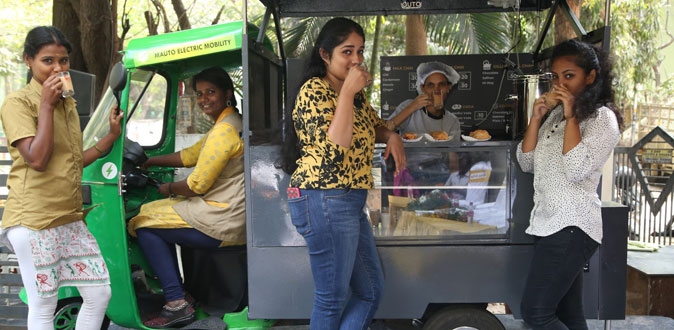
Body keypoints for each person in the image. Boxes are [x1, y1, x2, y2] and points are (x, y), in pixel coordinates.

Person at [280, 17, 406, 330]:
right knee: (331, 299)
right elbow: (335, 150)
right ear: (325, 55)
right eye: (347, 52)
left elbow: (375, 126)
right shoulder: (314, 91)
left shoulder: (357, 96)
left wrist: (390, 135)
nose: (356, 60)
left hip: (348, 200)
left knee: (371, 290)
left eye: (360, 51)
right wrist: (347, 93)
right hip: (323, 199)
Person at [0, 26, 122, 330]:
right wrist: (45, 104)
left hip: (69, 220)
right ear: (29, 60)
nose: (58, 68)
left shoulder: (68, 103)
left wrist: (110, 137)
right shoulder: (18, 103)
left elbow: (73, 161)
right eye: (48, 61)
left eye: (63, 61)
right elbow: (38, 160)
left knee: (99, 294)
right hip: (34, 221)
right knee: (44, 304)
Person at [127, 67, 245, 329]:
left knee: (144, 223)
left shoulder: (223, 132)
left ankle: (176, 303)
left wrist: (169, 188)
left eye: (210, 92)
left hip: (223, 219)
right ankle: (180, 293)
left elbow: (196, 185)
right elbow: (191, 155)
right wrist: (150, 161)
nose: (204, 99)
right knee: (156, 215)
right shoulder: (231, 122)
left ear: (227, 93)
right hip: (230, 210)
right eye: (200, 94)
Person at [516, 39, 623, 330]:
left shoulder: (602, 119)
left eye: (569, 76)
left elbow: (576, 169)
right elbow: (526, 162)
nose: (560, 83)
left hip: (572, 226)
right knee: (569, 314)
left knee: (535, 312)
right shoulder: (554, 117)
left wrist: (571, 114)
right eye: (556, 76)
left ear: (590, 77)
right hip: (547, 224)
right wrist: (537, 118)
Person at [386, 61, 461, 140]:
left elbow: (453, 151)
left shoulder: (452, 120)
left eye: (441, 84)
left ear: (448, 87)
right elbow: (384, 131)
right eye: (430, 85)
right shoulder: (408, 106)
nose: (437, 90)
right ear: (422, 88)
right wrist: (412, 107)